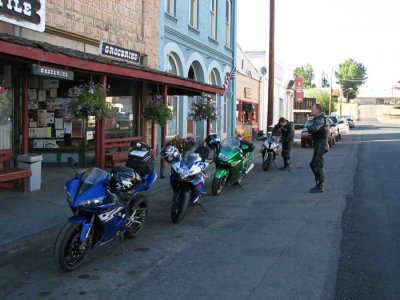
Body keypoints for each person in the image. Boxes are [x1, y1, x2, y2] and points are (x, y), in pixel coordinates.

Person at [306, 104, 329, 193]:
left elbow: (315, 129)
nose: (311, 110)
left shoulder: (321, 119)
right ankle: (319, 183)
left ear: (318, 110)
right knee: (313, 164)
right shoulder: (317, 119)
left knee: (317, 164)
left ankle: (320, 185)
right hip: (318, 144)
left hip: (321, 144)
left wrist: (307, 126)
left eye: (313, 109)